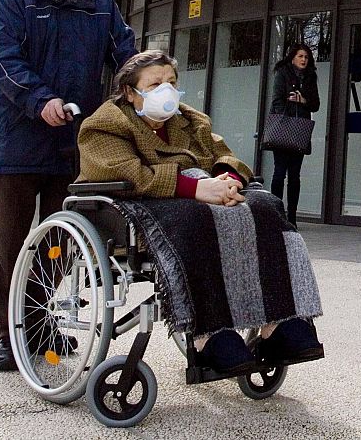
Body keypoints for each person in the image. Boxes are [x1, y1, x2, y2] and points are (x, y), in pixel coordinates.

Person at [78, 50, 324, 376]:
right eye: (155, 84)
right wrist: (196, 189)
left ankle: (282, 322)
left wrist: (230, 181)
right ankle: (208, 335)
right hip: (144, 203)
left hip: (204, 194)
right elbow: (126, 172)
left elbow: (226, 155)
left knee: (267, 206)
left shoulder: (190, 120)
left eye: (171, 82)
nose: (166, 90)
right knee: (195, 218)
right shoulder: (105, 124)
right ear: (129, 91)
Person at [0, 0, 137, 372]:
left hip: (74, 144)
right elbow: (2, 59)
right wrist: (40, 99)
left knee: (61, 244)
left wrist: (147, 84)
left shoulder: (101, 1)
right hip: (18, 142)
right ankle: (7, 333)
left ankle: (42, 323)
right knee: (9, 244)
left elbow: (125, 55)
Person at [268, 43, 320, 225]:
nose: (304, 60)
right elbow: (277, 100)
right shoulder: (283, 73)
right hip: (283, 129)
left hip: (300, 131)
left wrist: (303, 100)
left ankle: (292, 217)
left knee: (295, 175)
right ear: (293, 57)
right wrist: (287, 118)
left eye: (306, 57)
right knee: (279, 173)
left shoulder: (311, 77)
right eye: (300, 56)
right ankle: (275, 215)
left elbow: (315, 104)